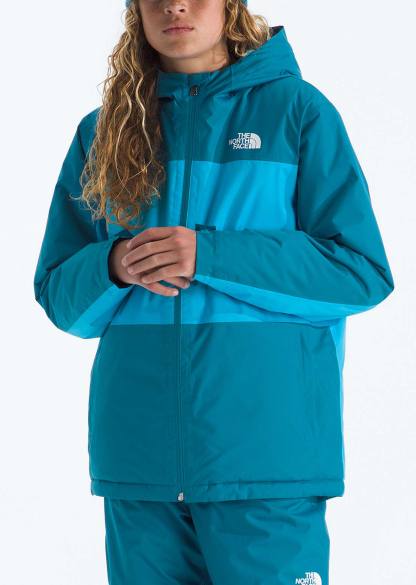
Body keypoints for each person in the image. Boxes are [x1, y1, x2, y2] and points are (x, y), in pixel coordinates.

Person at [33, 0, 395, 583]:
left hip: (265, 463)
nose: (174, 5)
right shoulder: (103, 132)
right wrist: (114, 264)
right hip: (140, 467)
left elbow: (359, 271)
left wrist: (210, 255)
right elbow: (58, 296)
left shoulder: (297, 112)